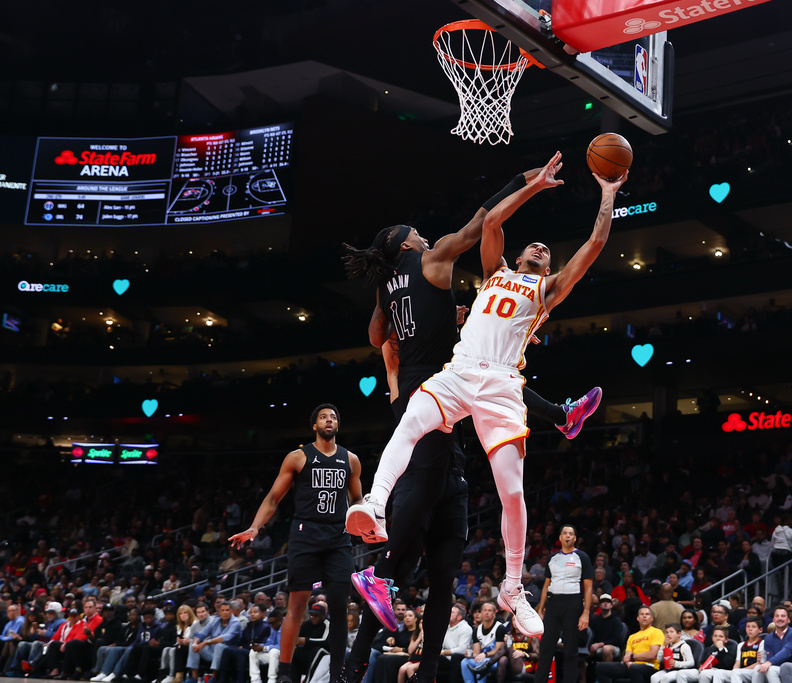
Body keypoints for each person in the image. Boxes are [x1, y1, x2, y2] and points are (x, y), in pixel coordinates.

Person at [347, 151, 627, 638]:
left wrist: (606, 196)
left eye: (545, 249)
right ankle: (373, 504)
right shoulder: (495, 271)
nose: (539, 247)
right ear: (516, 257)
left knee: (512, 494)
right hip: (458, 371)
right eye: (532, 246)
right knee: (411, 421)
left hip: (500, 384)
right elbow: (492, 219)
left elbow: (597, 241)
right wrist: (534, 184)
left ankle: (513, 590)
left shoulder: (549, 290)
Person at [229, 404, 362, 683]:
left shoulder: (351, 460)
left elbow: (358, 499)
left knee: (340, 606)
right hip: (306, 535)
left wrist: (366, 518)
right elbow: (273, 498)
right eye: (324, 417)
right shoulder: (298, 457)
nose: (330, 420)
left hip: (338, 538)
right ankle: (286, 674)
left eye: (334, 417)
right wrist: (255, 527)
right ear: (314, 425)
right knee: (297, 607)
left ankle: (338, 675)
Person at [534, 524, 594, 683]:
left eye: (571, 534)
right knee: (546, 649)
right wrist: (541, 608)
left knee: (570, 651)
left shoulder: (583, 557)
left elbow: (588, 588)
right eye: (564, 533)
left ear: (575, 538)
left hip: (573, 603)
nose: (567, 536)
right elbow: (546, 585)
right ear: (559, 537)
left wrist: (586, 612)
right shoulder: (552, 557)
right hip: (553, 604)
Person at [595, 606, 664, 683]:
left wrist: (632, 657)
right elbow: (626, 657)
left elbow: (652, 655)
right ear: (638, 618)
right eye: (642, 614)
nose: (644, 616)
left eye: (647, 614)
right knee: (600, 667)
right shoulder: (632, 637)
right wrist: (628, 662)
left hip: (650, 666)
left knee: (634, 668)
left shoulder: (657, 632)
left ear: (651, 618)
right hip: (631, 665)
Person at [752, 607, 792, 683]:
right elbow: (769, 656)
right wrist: (764, 659)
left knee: (771, 669)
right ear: (773, 620)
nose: (780, 618)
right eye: (777, 616)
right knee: (757, 668)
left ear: (788, 620)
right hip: (776, 667)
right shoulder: (768, 638)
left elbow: (787, 652)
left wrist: (769, 662)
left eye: (783, 616)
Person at [460, 602, 507, 683]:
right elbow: (476, 652)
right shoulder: (476, 630)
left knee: (480, 662)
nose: (487, 613)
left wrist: (485, 654)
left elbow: (498, 650)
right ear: (481, 613)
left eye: (489, 611)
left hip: (493, 660)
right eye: (485, 610)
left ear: (494, 614)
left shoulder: (499, 628)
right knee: (464, 662)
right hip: (481, 658)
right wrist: (470, 655)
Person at [248, 608, 283, 683]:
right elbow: (269, 642)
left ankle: (272, 680)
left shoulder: (286, 626)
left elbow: (282, 647)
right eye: (269, 623)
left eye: (273, 623)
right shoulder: (273, 626)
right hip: (274, 656)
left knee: (274, 651)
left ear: (280, 620)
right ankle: (255, 680)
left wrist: (264, 648)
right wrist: (259, 646)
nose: (271, 625)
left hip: (285, 655)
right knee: (253, 652)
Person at [731, 618, 765, 683]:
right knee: (719, 673)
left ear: (760, 630)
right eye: (748, 626)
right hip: (741, 671)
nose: (750, 629)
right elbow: (737, 663)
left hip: (754, 671)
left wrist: (739, 670)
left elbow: (759, 663)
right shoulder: (741, 645)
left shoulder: (762, 643)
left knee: (736, 672)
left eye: (753, 627)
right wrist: (735, 669)